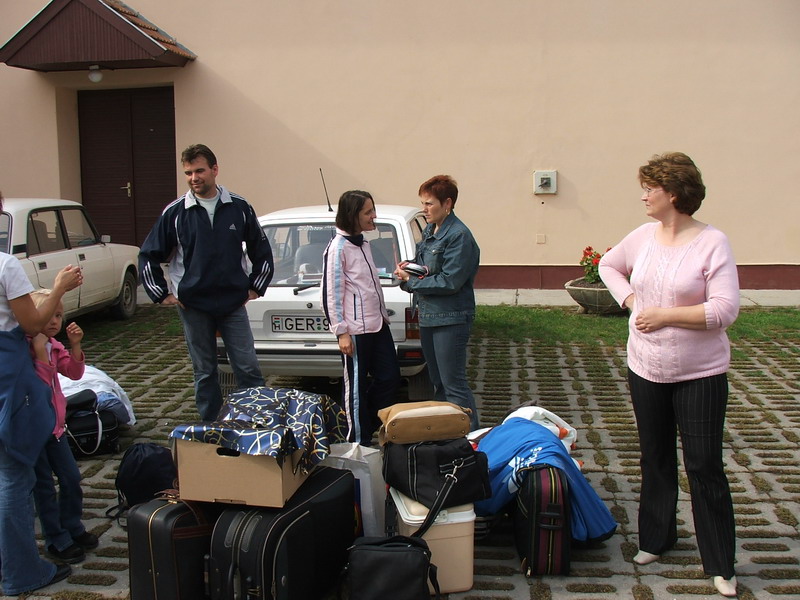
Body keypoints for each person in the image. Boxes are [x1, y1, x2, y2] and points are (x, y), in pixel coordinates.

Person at [598, 152, 740, 598]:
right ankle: (656, 540)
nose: (643, 196)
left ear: (673, 194)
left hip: (700, 373)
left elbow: (724, 310)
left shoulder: (712, 242)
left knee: (704, 466)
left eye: (650, 189)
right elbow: (607, 265)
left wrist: (663, 315)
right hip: (645, 368)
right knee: (655, 457)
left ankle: (721, 563)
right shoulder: (642, 237)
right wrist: (630, 301)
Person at [139, 144, 274, 421]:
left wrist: (255, 287)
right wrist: (162, 294)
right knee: (204, 371)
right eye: (188, 173)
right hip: (193, 306)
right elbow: (148, 254)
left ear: (214, 170)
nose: (194, 178)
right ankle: (211, 426)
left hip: (233, 304)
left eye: (199, 171)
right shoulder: (176, 212)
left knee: (248, 368)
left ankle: (255, 423)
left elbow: (262, 249)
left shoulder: (239, 207)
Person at [1, 191, 83, 595]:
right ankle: (21, 572)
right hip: (8, 378)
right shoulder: (5, 265)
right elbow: (33, 323)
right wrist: (58, 288)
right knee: (14, 478)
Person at [394, 175, 481, 431]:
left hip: (451, 319)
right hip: (429, 316)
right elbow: (427, 270)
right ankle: (448, 434)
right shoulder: (431, 230)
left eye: (429, 203)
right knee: (439, 383)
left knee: (454, 384)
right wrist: (409, 268)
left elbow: (450, 281)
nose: (424, 209)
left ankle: (471, 437)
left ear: (448, 203)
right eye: (423, 203)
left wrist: (411, 281)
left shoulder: (459, 236)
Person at [321, 190, 401, 445]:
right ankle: (358, 442)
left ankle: (368, 424)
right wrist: (341, 332)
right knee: (355, 389)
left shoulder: (364, 243)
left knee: (390, 378)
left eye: (373, 210)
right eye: (368, 212)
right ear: (352, 215)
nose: (373, 215)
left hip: (377, 324)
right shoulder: (337, 248)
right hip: (355, 331)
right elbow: (331, 294)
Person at [29, 289, 98, 565]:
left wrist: (75, 346)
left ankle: (72, 525)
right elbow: (40, 386)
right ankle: (55, 538)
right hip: (34, 432)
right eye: (48, 315)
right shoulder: (27, 348)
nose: (54, 321)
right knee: (44, 487)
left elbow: (74, 373)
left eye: (58, 315)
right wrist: (39, 352)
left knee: (71, 477)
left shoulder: (54, 345)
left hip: (56, 429)